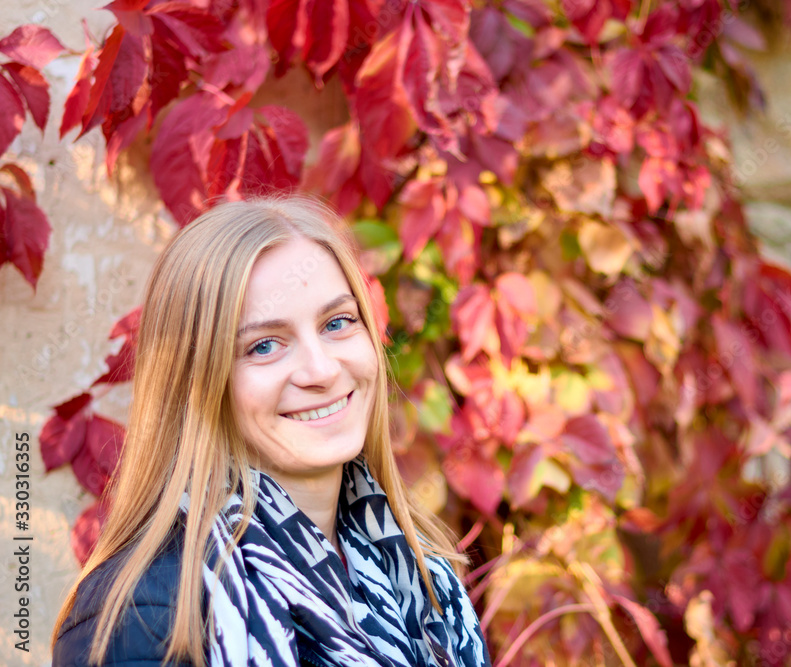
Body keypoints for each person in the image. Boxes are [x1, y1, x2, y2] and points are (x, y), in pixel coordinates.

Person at [50, 196, 492, 667]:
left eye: (337, 322)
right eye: (263, 346)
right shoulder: (141, 618)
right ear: (197, 382)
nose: (320, 370)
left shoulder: (418, 575)